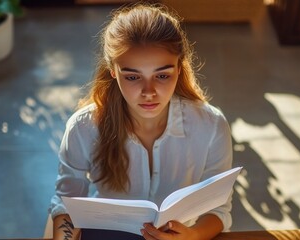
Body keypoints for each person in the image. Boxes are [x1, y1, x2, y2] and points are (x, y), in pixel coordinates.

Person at [49, 3, 233, 240]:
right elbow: (67, 203)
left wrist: (193, 236)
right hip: (106, 233)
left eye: (162, 75)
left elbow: (219, 210)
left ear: (179, 68)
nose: (149, 92)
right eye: (133, 77)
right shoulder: (83, 127)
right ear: (113, 71)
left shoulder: (211, 126)